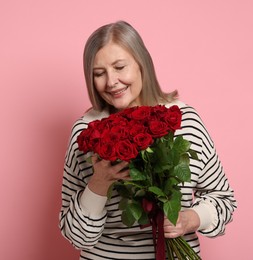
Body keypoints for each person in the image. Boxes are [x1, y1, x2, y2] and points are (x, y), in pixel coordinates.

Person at [59, 20, 237, 259]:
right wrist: (99, 182)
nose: (111, 81)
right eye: (99, 73)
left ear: (142, 63)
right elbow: (76, 235)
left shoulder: (184, 120)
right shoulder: (87, 133)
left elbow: (223, 200)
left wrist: (189, 219)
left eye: (120, 67)